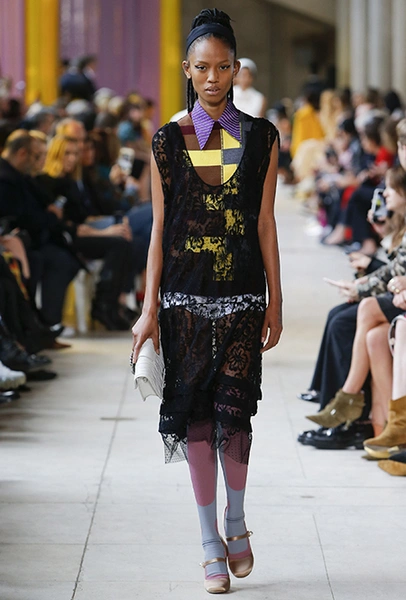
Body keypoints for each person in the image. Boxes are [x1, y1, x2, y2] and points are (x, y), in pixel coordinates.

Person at [131, 8, 282, 594]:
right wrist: (148, 309)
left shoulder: (263, 137)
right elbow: (159, 228)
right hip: (182, 300)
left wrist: (276, 300)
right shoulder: (167, 141)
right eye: (203, 67)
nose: (213, 78)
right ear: (187, 70)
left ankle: (236, 523)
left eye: (223, 67)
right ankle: (208, 543)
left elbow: (265, 222)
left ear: (236, 69)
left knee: (234, 414)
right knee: (196, 415)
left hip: (243, 295)